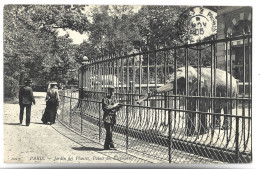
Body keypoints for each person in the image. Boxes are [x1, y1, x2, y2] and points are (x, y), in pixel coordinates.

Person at [102, 85, 122, 150]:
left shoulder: (114, 99)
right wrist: (114, 107)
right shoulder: (105, 99)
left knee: (109, 132)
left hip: (113, 116)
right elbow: (105, 108)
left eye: (113, 91)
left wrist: (118, 107)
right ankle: (111, 143)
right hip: (107, 117)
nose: (112, 92)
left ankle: (106, 146)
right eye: (111, 91)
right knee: (109, 131)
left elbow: (115, 107)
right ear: (108, 91)